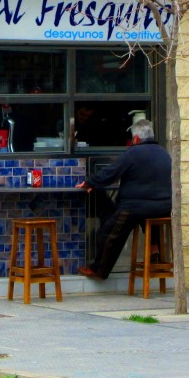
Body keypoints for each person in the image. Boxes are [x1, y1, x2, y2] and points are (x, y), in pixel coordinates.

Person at [75, 118, 172, 280]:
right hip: (164, 207)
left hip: (136, 206)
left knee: (109, 232)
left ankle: (98, 270)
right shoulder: (164, 153)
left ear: (135, 139)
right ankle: (154, 247)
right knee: (147, 217)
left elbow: (111, 173)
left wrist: (89, 182)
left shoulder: (133, 153)